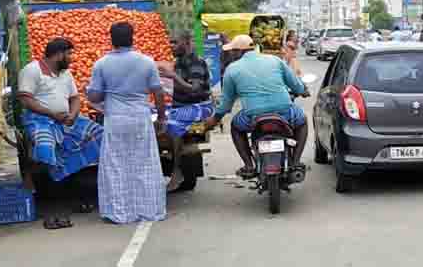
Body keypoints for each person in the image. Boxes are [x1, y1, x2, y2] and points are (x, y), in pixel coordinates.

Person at [17, 38, 103, 229]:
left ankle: (76, 189)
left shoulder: (66, 74)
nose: (71, 58)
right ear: (58, 54)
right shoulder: (31, 70)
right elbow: (25, 100)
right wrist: (52, 114)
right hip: (40, 121)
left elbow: (74, 99)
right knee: (46, 148)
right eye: (69, 54)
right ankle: (52, 206)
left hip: (67, 120)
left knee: (99, 134)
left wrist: (72, 115)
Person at [86, 22, 167, 224]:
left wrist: (90, 91)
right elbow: (158, 92)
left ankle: (119, 212)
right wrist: (163, 117)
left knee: (116, 166)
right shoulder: (147, 62)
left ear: (111, 39)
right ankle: (149, 210)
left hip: (115, 119)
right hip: (141, 118)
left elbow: (95, 97)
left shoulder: (102, 64)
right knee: (145, 164)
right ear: (133, 37)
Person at [204, 34, 309, 179]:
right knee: (302, 121)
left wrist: (214, 120)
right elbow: (296, 85)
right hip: (284, 112)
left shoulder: (232, 69)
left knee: (235, 126)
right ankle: (296, 162)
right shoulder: (275, 60)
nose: (231, 53)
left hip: (253, 117)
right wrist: (303, 91)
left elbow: (226, 104)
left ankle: (249, 165)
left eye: (233, 51)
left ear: (239, 52)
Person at [158, 31, 214, 191]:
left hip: (199, 107)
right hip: (183, 106)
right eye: (170, 42)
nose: (171, 46)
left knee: (173, 124)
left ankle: (177, 171)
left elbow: (194, 90)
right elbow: (179, 87)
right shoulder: (178, 62)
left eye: (175, 42)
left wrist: (172, 76)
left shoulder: (196, 63)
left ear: (187, 43)